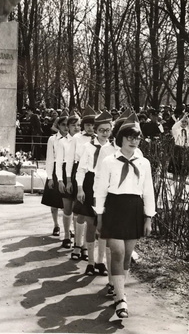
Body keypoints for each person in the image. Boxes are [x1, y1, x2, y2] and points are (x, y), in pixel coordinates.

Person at [96, 112, 155, 319]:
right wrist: (99, 215)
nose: (134, 141)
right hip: (114, 207)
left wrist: (148, 217)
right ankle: (121, 299)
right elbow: (101, 190)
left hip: (135, 209)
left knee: (128, 255)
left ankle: (119, 290)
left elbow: (148, 191)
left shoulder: (144, 163)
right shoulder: (109, 161)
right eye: (129, 136)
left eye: (137, 137)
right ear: (120, 138)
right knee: (118, 253)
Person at [72, 111, 112, 276]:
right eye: (101, 130)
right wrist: (80, 189)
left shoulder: (113, 149)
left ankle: (100, 261)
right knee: (90, 223)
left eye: (107, 130)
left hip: (105, 186)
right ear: (96, 130)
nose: (104, 133)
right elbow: (81, 170)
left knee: (102, 226)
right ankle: (89, 261)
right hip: (89, 183)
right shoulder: (87, 147)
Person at [65, 104, 97, 259]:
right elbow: (70, 160)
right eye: (88, 124)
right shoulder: (76, 138)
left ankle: (86, 245)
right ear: (83, 125)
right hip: (79, 173)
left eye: (93, 125)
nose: (91, 128)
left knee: (90, 214)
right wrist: (70, 181)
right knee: (80, 212)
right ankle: (77, 245)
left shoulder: (99, 140)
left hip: (94, 176)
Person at [41, 110, 69, 236]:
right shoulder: (52, 139)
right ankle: (56, 225)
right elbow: (49, 158)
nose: (66, 127)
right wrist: (50, 177)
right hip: (55, 171)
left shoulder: (73, 139)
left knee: (68, 202)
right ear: (58, 126)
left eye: (68, 124)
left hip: (67, 171)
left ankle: (68, 228)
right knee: (54, 201)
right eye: (63, 124)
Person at [56, 110, 81, 248]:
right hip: (67, 175)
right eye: (73, 125)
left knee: (77, 209)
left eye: (78, 125)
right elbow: (59, 163)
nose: (76, 128)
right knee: (67, 208)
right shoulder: (63, 142)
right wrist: (60, 180)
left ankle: (78, 239)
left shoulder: (83, 141)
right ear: (68, 127)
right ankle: (66, 235)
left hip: (78, 175)